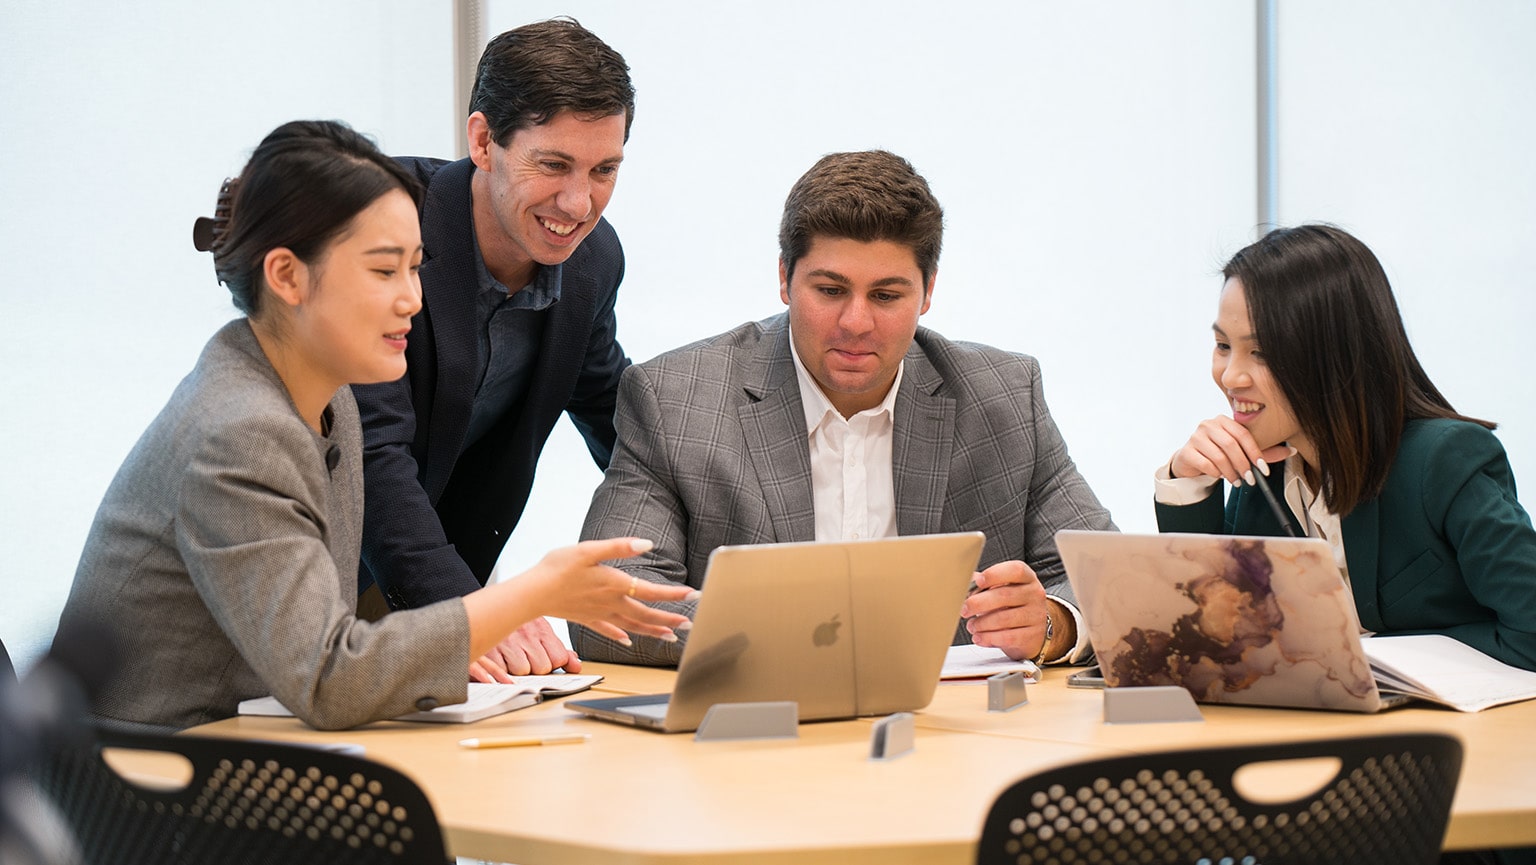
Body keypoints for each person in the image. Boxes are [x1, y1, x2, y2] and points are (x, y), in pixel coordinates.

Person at [52, 120, 691, 732]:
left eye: (416, 268)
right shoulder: (240, 431)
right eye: (385, 271)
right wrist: (527, 597)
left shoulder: (327, 404)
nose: (413, 298)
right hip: (140, 783)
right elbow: (329, 675)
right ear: (287, 276)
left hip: (252, 740)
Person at [572, 150, 1115, 667]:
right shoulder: (677, 398)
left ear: (927, 294)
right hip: (758, 737)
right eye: (831, 290)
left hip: (954, 736)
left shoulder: (1003, 395)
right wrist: (802, 634)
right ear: (785, 278)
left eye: (885, 296)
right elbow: (604, 598)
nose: (856, 322)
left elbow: (1110, 579)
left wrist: (1053, 622)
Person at [351, 19, 637, 681]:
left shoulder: (595, 260)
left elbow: (616, 418)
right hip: (318, 577)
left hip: (427, 609)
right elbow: (371, 448)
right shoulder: (384, 226)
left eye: (604, 170)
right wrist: (473, 612)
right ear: (483, 141)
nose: (578, 201)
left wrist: (734, 558)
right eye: (554, 165)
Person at [1154, 224, 1536, 674]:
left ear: (1334, 355)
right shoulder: (1260, 471)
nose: (1231, 376)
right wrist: (1188, 481)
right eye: (1223, 346)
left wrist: (1369, 657)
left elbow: (1530, 636)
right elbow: (1208, 641)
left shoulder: (1444, 460)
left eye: (1261, 352)